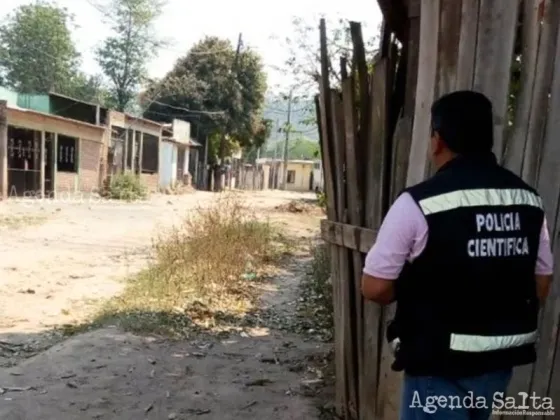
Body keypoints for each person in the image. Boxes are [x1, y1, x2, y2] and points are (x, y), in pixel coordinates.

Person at [361, 90, 553, 420]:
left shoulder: (418, 203)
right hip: (498, 364)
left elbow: (375, 287)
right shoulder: (529, 200)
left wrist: (420, 291)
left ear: (437, 140)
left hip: (438, 366)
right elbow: (542, 281)